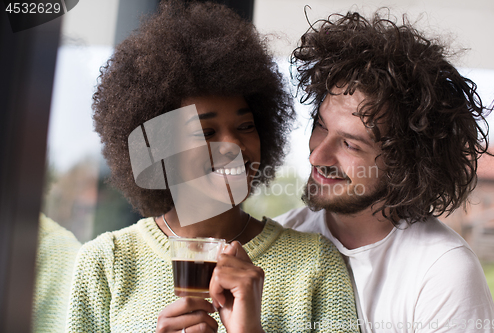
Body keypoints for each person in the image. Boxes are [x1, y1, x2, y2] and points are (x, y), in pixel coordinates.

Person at [65, 1, 359, 332]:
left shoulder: (314, 264)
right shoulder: (106, 263)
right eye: (206, 132)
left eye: (246, 127)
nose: (233, 145)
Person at [275, 10, 494, 333]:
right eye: (320, 126)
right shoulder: (281, 238)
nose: (317, 155)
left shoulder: (444, 273)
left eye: (350, 145)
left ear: (403, 165)